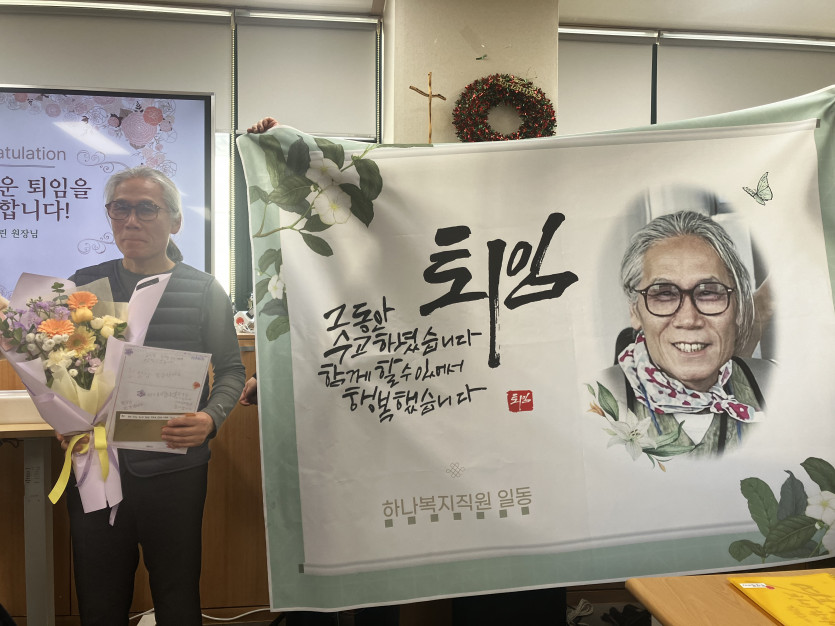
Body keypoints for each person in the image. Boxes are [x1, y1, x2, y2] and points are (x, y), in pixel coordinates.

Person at [60, 166, 246, 625]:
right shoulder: (85, 285)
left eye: (146, 209)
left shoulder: (203, 289)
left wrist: (211, 419)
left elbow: (231, 371)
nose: (131, 220)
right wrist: (67, 419)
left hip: (174, 467)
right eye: (120, 208)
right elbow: (63, 369)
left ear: (175, 221)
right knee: (99, 597)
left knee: (177, 593)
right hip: (97, 463)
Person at [598, 210, 774, 457]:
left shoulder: (775, 385)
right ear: (635, 311)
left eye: (709, 292)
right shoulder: (597, 402)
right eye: (664, 294)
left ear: (738, 306)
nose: (689, 319)